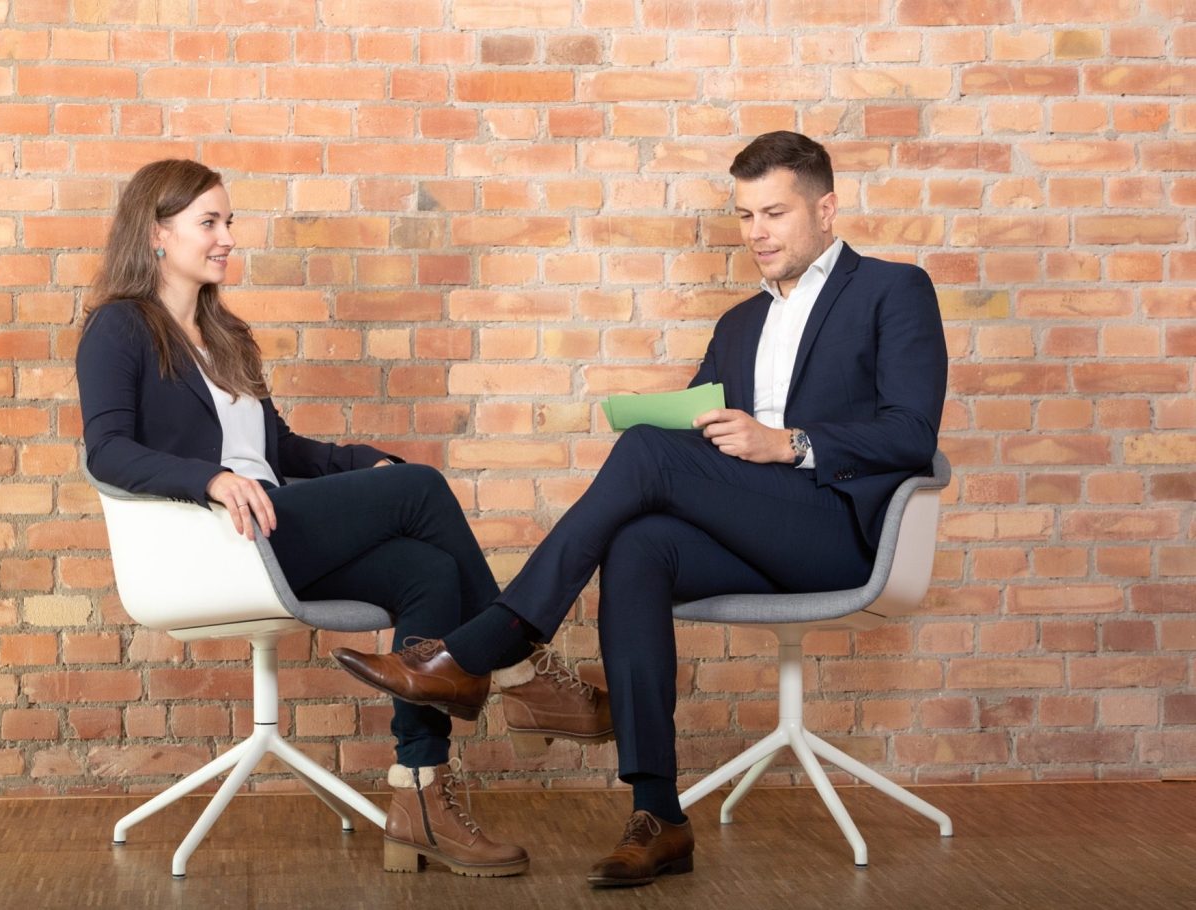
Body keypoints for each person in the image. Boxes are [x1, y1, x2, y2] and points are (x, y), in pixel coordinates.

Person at [332, 131, 949, 887]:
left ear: (825, 210)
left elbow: (913, 433)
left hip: (837, 533)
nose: (756, 233)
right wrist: (677, 423)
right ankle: (659, 816)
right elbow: (698, 445)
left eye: (775, 213)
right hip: (754, 530)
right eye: (745, 215)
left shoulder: (892, 289)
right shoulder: (738, 325)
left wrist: (787, 443)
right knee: (638, 546)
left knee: (648, 457)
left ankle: (489, 644)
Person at [75, 159, 612, 879]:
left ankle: (419, 799)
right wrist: (210, 479)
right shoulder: (118, 328)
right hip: (218, 540)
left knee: (429, 570)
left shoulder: (225, 334)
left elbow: (280, 450)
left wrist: (364, 463)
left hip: (277, 529)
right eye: (209, 222)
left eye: (229, 221)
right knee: (422, 491)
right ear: (156, 233)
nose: (227, 237)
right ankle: (517, 669)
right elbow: (107, 451)